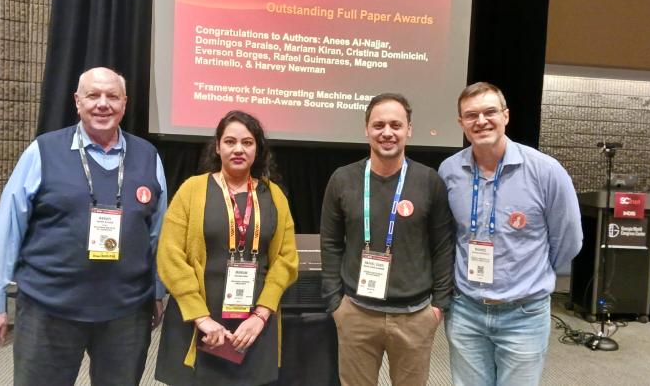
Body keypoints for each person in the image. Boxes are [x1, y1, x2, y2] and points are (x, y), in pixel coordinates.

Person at [0, 67, 168, 386]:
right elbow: (8, 230)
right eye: (93, 95)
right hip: (49, 310)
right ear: (77, 102)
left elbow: (158, 235)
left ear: (125, 103)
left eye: (112, 96)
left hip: (126, 313)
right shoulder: (43, 151)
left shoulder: (148, 157)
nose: (103, 104)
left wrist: (157, 292)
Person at [438, 82, 583, 386]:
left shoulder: (546, 171)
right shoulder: (449, 171)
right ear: (461, 123)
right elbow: (449, 237)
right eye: (471, 115)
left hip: (524, 314)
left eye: (490, 112)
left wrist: (532, 275)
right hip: (467, 311)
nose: (481, 121)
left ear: (506, 115)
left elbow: (568, 239)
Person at [320, 93, 455, 386]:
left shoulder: (429, 180)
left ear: (409, 129)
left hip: (415, 316)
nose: (387, 132)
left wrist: (438, 306)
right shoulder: (342, 179)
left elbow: (443, 245)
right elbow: (331, 244)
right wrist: (335, 302)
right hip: (356, 312)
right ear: (366, 129)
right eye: (378, 124)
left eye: (396, 124)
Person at [155, 110, 298, 386]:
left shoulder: (274, 196)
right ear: (217, 146)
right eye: (230, 141)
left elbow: (285, 259)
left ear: (258, 149)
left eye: (247, 142)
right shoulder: (192, 190)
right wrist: (202, 317)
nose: (238, 149)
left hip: (254, 325)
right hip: (199, 323)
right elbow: (170, 255)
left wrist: (261, 314)